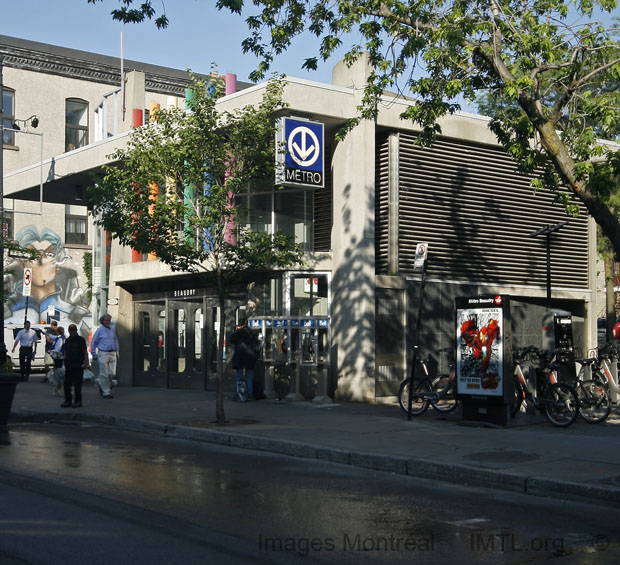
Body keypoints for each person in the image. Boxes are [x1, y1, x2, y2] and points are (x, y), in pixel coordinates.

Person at [228, 318, 259, 401]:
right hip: (250, 357)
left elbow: (231, 339)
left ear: (240, 325)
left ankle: (239, 393)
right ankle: (250, 394)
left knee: (239, 376)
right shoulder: (251, 332)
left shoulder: (239, 332)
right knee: (249, 375)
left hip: (240, 357)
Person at [90, 314, 119, 399]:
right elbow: (94, 342)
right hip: (103, 353)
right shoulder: (99, 330)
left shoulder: (111, 330)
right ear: (102, 321)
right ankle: (106, 392)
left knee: (112, 373)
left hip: (112, 353)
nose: (108, 322)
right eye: (106, 320)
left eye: (109, 320)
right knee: (104, 373)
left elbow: (115, 340)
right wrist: (93, 353)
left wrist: (117, 351)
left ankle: (101, 383)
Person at [61, 324, 89, 408]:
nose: (72, 331)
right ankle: (68, 400)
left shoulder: (81, 340)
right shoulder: (67, 340)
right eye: (70, 330)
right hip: (69, 365)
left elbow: (85, 351)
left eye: (73, 330)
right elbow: (65, 352)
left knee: (77, 385)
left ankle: (78, 401)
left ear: (76, 330)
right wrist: (64, 363)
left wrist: (86, 362)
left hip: (78, 364)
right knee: (67, 384)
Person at [50, 326, 66, 396]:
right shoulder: (62, 338)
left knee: (59, 376)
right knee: (60, 376)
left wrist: (51, 351)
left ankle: (57, 389)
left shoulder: (59, 339)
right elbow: (51, 336)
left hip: (59, 358)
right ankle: (57, 390)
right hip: (60, 358)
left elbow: (58, 349)